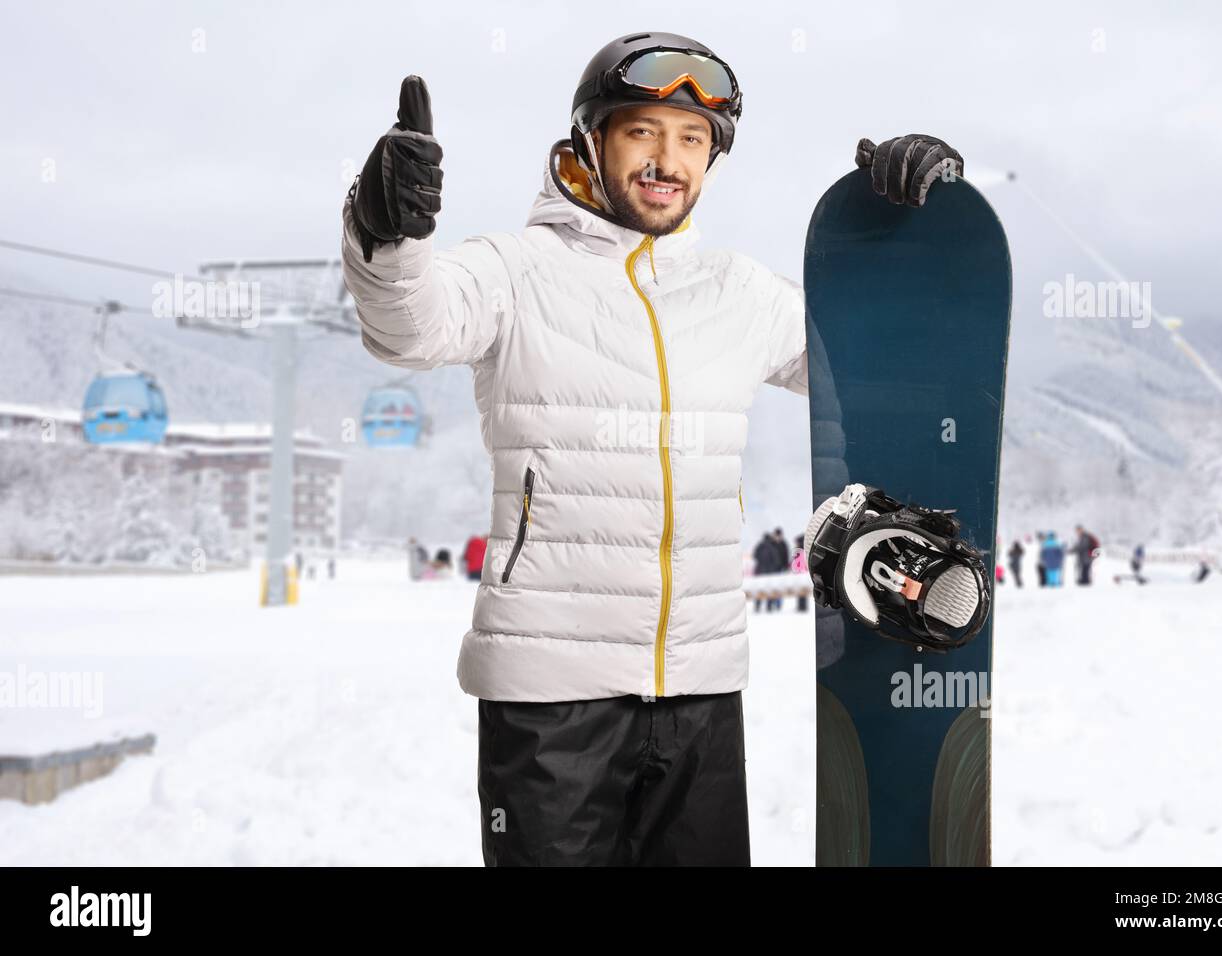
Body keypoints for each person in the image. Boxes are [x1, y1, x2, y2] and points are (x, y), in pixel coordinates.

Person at [342, 31, 963, 867]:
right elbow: (408, 324)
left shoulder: (737, 293)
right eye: (642, 130)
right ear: (590, 140)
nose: (667, 160)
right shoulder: (515, 272)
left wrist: (909, 235)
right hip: (551, 696)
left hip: (702, 690)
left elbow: (870, 360)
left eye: (692, 139)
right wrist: (385, 233)